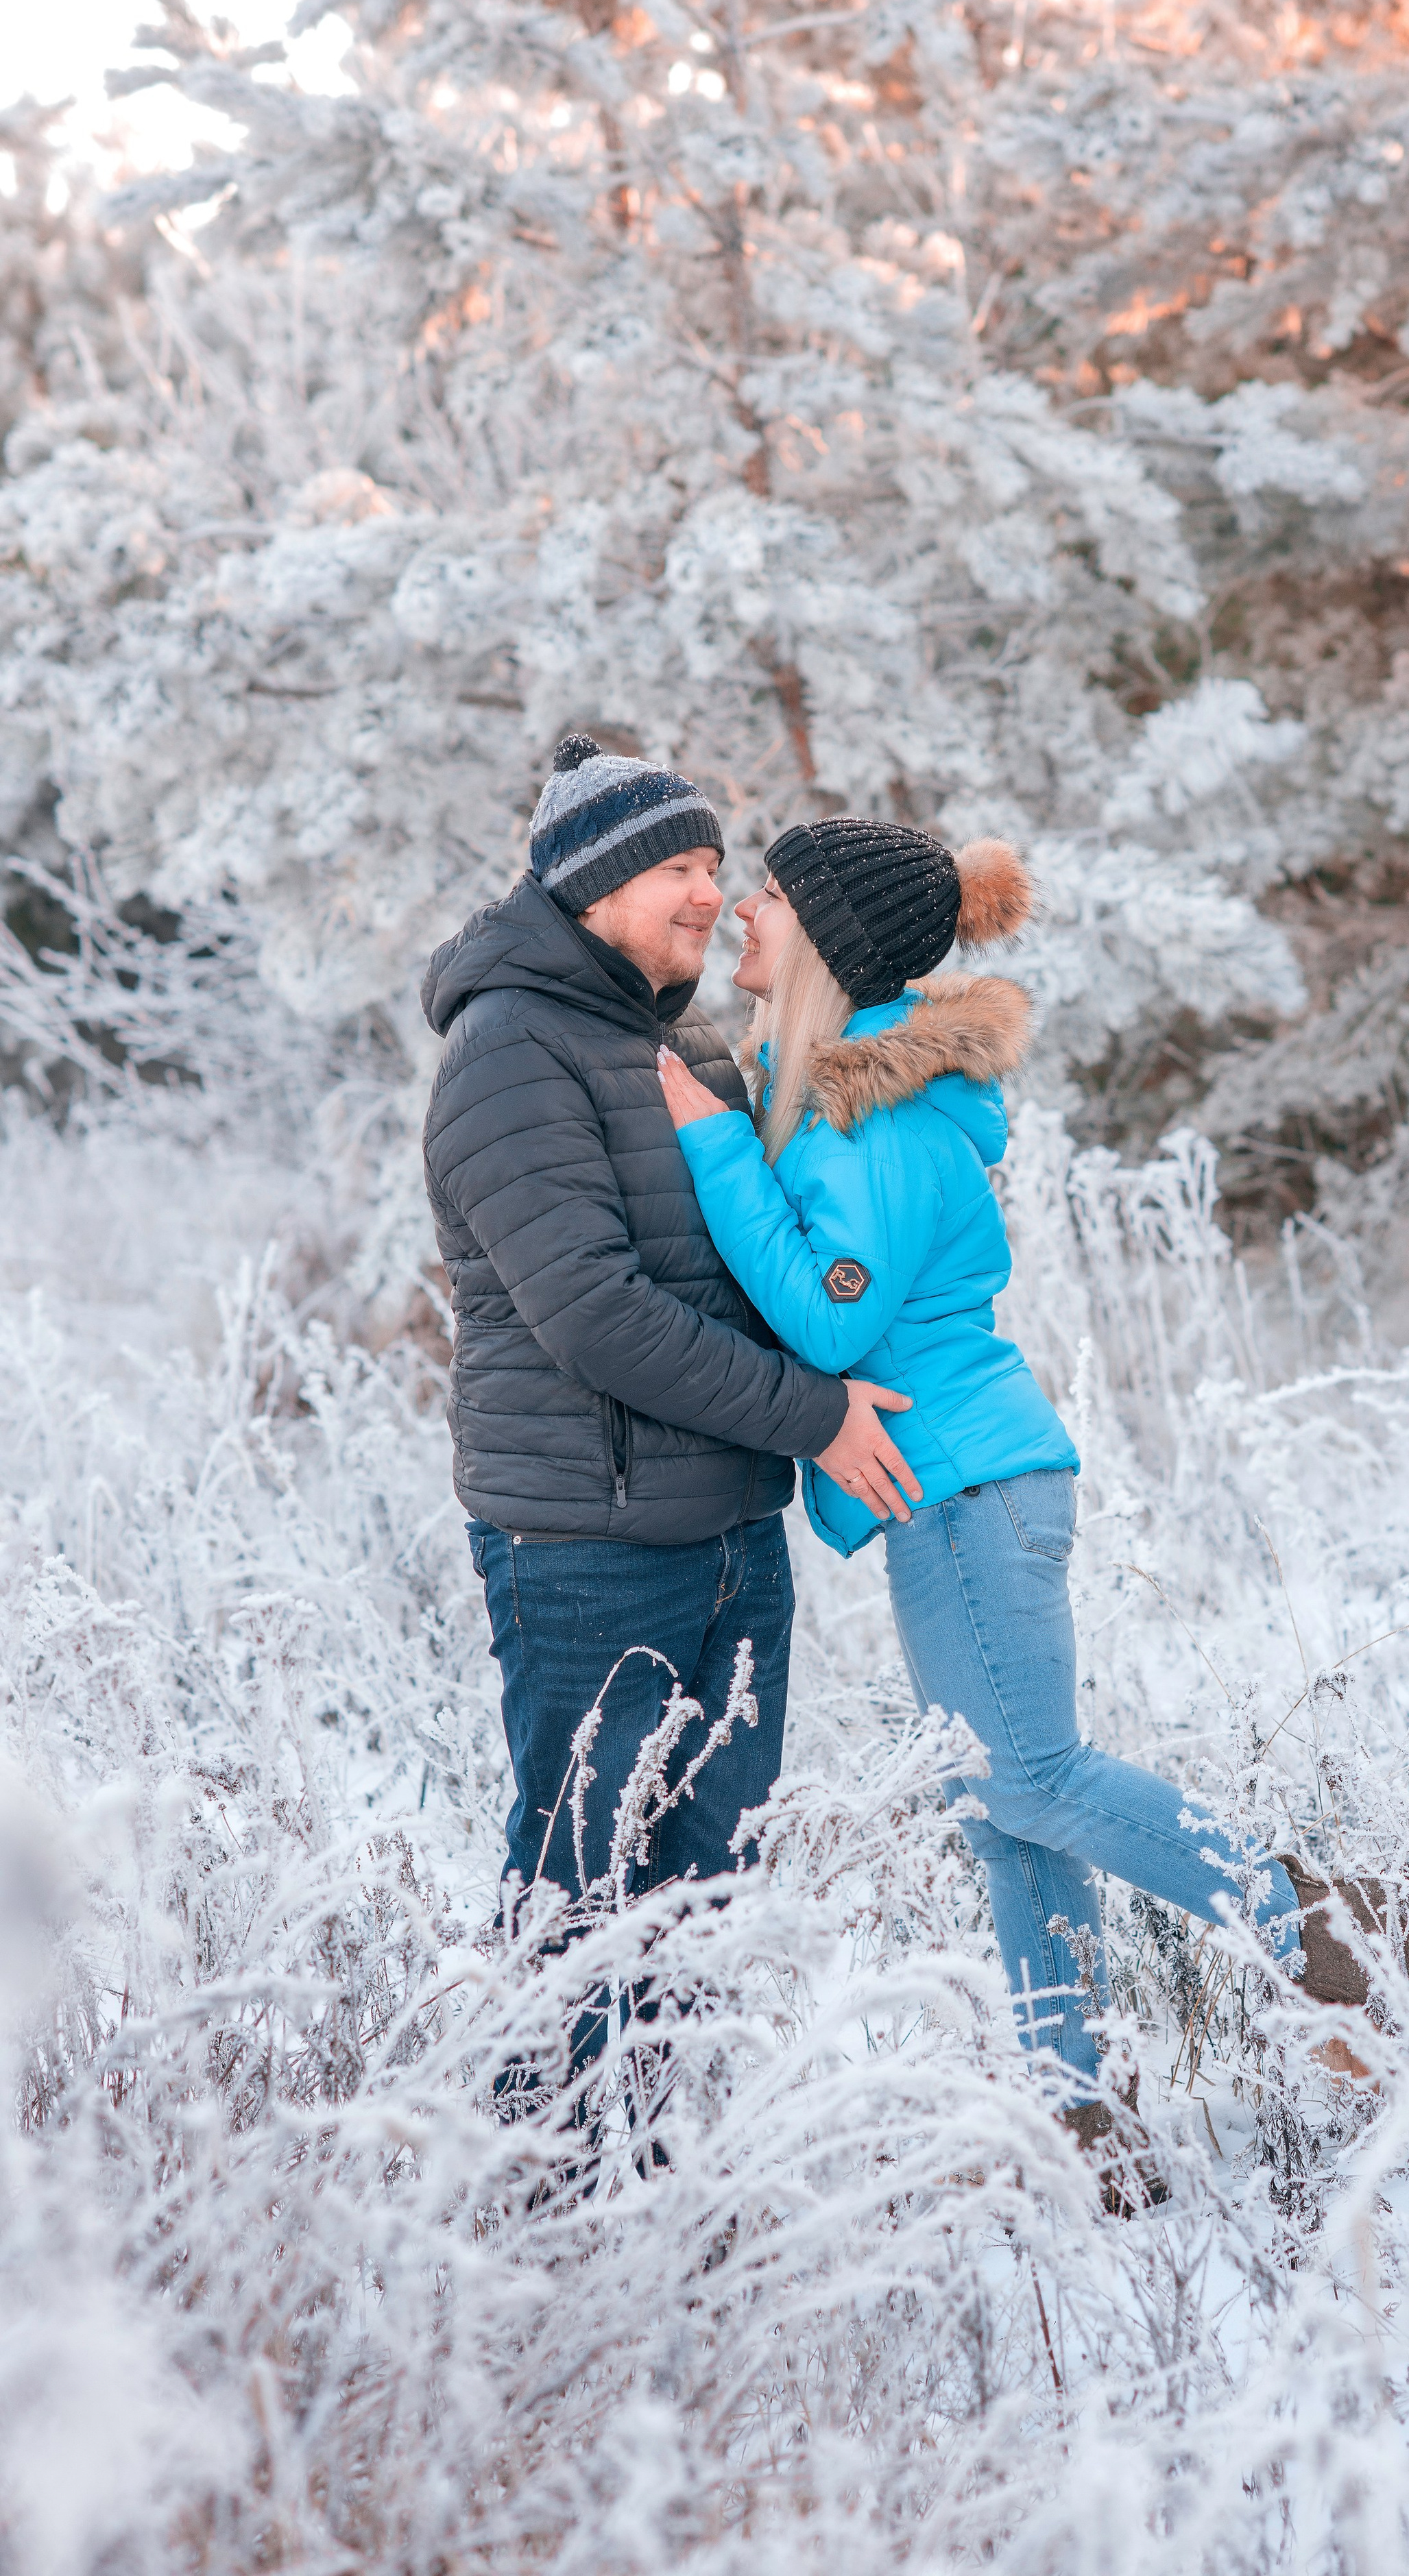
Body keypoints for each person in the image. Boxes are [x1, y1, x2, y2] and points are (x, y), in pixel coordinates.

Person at [655, 818, 1385, 2112]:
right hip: (950, 1486)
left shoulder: (876, 1120)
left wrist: (713, 1144)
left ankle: (1308, 1918)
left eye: (767, 897)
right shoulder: (850, 1096)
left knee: (1030, 1779)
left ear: (827, 940)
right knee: (1008, 1816)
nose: (739, 917)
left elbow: (829, 1318)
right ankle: (1075, 2106)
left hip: (967, 1488)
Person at [422, 738, 922, 2087]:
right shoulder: (511, 1053)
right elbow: (595, 1315)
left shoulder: (671, 1041)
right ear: (591, 890)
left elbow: (765, 1252)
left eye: (712, 867)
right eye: (676, 870)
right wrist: (812, 1416)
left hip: (727, 1542)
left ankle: (672, 2185)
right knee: (581, 1892)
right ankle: (550, 2183)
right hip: (589, 1551)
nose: (707, 894)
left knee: (709, 1883)